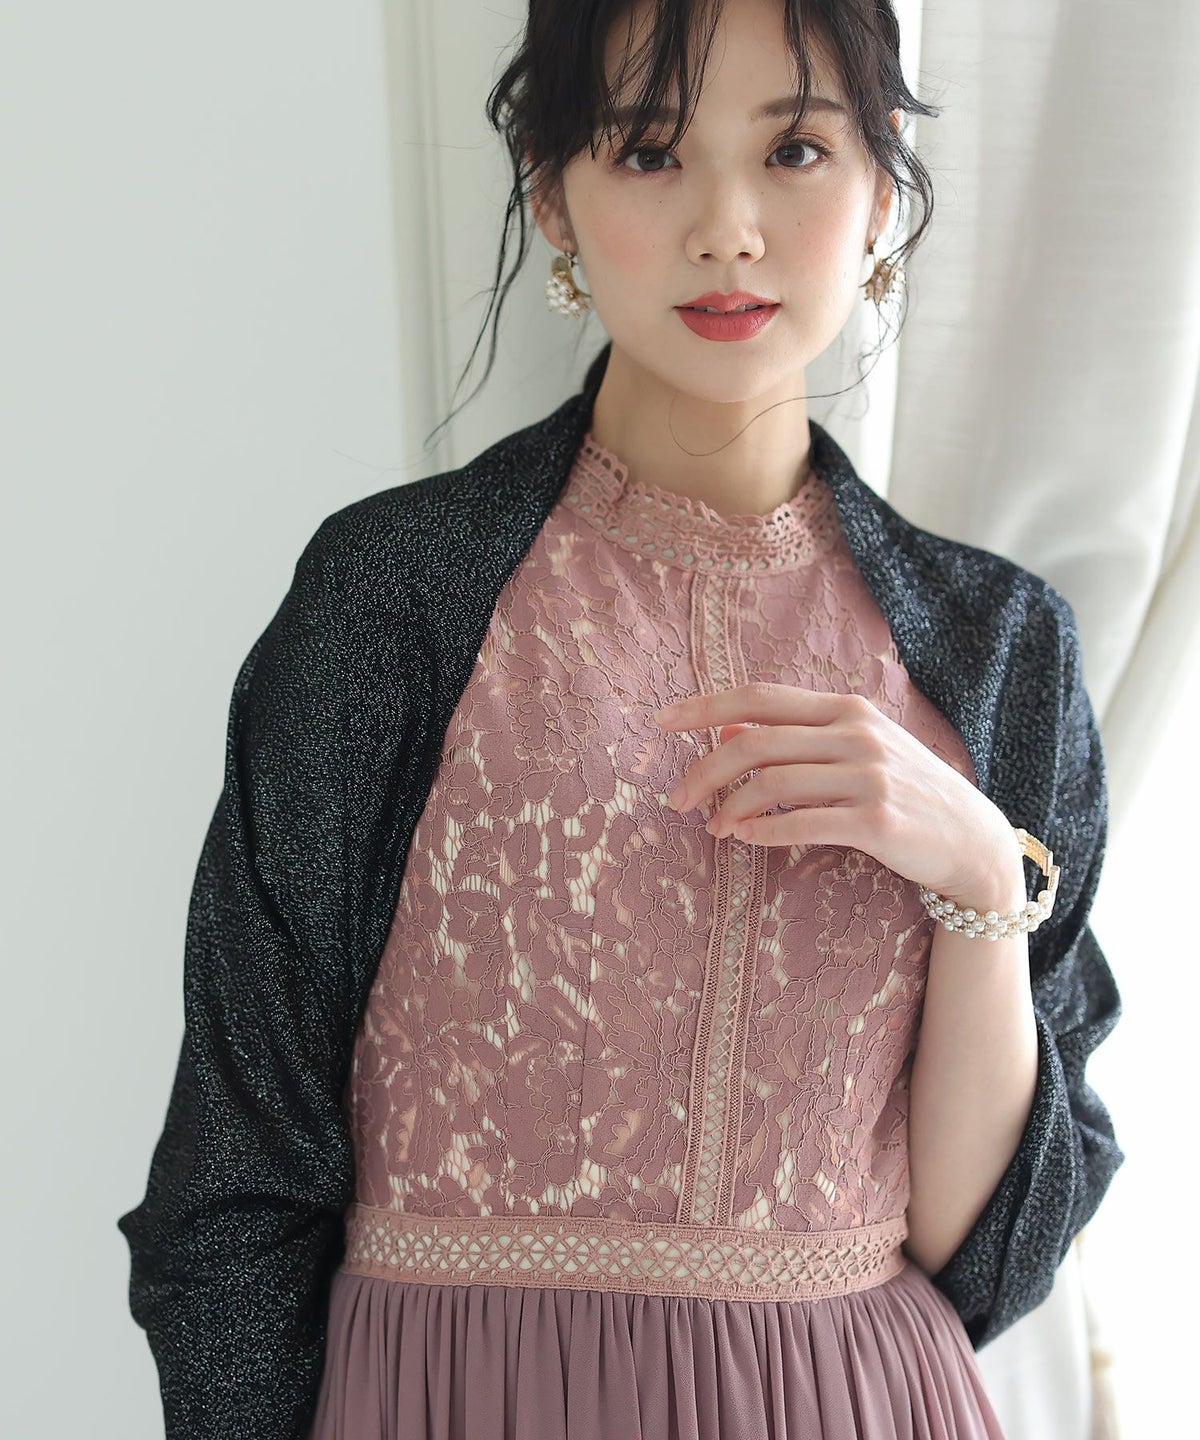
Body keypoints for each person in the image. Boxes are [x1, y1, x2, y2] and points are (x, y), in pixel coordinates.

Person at [117, 1, 1125, 1436]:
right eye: (650, 152)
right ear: (553, 197)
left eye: (794, 149)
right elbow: (236, 1180)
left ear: (881, 192)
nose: (728, 229)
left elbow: (992, 1258)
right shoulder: (393, 598)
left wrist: (979, 878)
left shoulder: (999, 650)